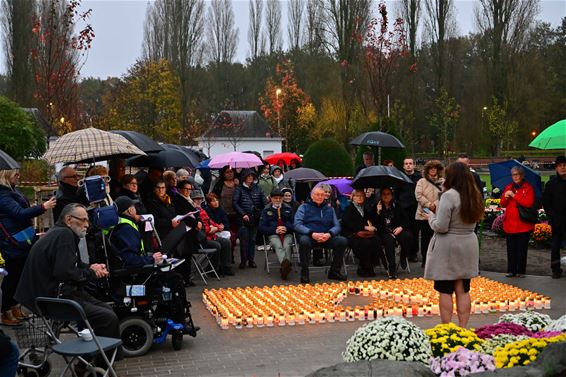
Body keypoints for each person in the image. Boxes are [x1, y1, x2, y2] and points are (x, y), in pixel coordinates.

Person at [15, 203, 120, 340]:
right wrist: (92, 274)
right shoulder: (65, 235)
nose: (87, 224)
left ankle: (99, 353)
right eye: (83, 220)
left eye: (87, 220)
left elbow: (69, 263)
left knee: (106, 309)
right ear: (69, 219)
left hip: (47, 295)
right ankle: (102, 358)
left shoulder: (60, 232)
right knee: (107, 317)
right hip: (49, 300)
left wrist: (90, 268)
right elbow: (65, 272)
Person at [423, 162, 484, 328]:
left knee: (445, 289)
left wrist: (430, 217)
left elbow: (441, 226)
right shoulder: (474, 195)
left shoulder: (449, 196)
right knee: (463, 289)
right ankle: (463, 327)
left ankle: (447, 328)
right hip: (468, 243)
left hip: (449, 245)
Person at [0, 169, 56, 326]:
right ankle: (5, 311)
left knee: (18, 276)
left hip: (20, 238)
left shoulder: (11, 191)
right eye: (15, 175)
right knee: (12, 278)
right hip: (12, 241)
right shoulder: (3, 195)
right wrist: (43, 207)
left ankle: (13, 307)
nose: (18, 177)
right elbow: (19, 213)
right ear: (5, 176)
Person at [294, 185, 348, 283]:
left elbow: (337, 226)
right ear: (312, 195)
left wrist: (329, 234)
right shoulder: (303, 207)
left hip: (326, 236)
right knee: (304, 241)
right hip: (310, 236)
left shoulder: (330, 209)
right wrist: (311, 233)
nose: (320, 197)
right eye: (317, 194)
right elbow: (297, 225)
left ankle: (334, 271)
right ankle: (305, 272)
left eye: (322, 195)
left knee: (342, 241)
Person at [500, 166, 536, 278]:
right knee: (511, 249)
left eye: (518, 174)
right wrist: (505, 197)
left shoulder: (528, 187)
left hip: (523, 224)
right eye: (514, 174)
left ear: (522, 175)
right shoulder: (508, 187)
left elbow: (528, 203)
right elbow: (502, 204)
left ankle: (521, 271)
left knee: (522, 249)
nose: (516, 177)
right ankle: (511, 270)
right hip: (510, 224)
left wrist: (514, 195)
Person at [108, 196, 163, 266]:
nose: (136, 209)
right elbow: (131, 259)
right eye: (134, 207)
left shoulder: (120, 224)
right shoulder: (126, 229)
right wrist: (152, 259)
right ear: (130, 210)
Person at [191, 189, 233, 276]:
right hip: (202, 238)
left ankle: (225, 267)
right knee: (217, 245)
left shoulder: (202, 210)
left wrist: (217, 227)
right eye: (196, 199)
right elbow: (201, 228)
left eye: (200, 199)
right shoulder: (193, 211)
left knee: (226, 242)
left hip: (210, 235)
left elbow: (210, 221)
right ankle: (213, 269)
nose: (199, 201)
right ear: (192, 200)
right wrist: (212, 229)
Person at [340, 189, 382, 277]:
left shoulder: (365, 209)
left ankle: (371, 266)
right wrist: (364, 227)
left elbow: (373, 220)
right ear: (352, 197)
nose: (360, 197)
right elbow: (347, 223)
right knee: (365, 243)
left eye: (362, 196)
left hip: (364, 234)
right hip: (352, 233)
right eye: (357, 196)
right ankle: (364, 267)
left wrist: (378, 212)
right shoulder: (348, 208)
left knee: (376, 240)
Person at [376, 187, 413, 279]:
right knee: (389, 241)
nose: (386, 196)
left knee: (407, 236)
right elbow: (375, 225)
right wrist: (378, 212)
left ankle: (403, 256)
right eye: (384, 194)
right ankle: (392, 268)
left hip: (396, 230)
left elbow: (406, 220)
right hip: (384, 232)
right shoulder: (376, 206)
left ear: (392, 195)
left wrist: (401, 227)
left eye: (388, 194)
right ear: (381, 195)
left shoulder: (397, 205)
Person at [233, 169, 267, 269]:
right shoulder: (239, 189)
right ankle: (244, 260)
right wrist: (243, 214)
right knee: (244, 240)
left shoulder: (258, 188)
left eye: (252, 176)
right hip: (242, 219)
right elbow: (235, 203)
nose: (250, 178)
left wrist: (261, 213)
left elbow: (263, 202)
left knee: (252, 240)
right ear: (244, 177)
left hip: (255, 218)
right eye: (248, 176)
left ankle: (251, 260)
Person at [259, 189, 294, 280]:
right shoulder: (266, 210)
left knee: (287, 245)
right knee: (278, 245)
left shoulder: (288, 209)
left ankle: (285, 267)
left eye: (280, 198)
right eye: (275, 198)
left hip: (287, 234)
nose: (278, 200)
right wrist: (275, 230)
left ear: (282, 198)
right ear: (271, 198)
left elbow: (295, 224)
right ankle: (285, 266)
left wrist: (286, 228)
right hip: (273, 234)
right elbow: (262, 227)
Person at [415, 160, 444, 268]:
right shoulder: (421, 181)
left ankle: (436, 259)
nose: (433, 169)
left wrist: (435, 205)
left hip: (438, 213)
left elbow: (445, 195)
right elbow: (418, 195)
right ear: (427, 169)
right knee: (425, 238)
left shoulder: (443, 181)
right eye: (431, 168)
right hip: (424, 214)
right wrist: (428, 204)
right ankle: (425, 259)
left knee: (437, 238)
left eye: (435, 168)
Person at [543, 156, 566, 279]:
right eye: (560, 165)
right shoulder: (551, 184)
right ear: (556, 168)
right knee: (556, 246)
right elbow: (546, 202)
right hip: (557, 220)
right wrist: (551, 216)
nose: (562, 167)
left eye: (564, 165)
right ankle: (556, 269)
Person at [396, 157, 422, 263]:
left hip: (415, 208)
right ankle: (404, 251)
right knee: (405, 231)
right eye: (406, 163)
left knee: (415, 232)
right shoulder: (399, 177)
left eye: (410, 163)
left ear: (414, 165)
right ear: (403, 166)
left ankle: (413, 253)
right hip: (403, 209)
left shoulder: (419, 177)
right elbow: (396, 193)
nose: (408, 165)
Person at [212, 167, 240, 259]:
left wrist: (238, 184)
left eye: (231, 172)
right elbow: (213, 197)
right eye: (227, 172)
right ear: (223, 174)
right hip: (223, 215)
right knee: (226, 236)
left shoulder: (237, 184)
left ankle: (230, 255)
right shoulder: (219, 184)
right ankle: (227, 256)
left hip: (236, 214)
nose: (229, 174)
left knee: (233, 237)